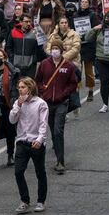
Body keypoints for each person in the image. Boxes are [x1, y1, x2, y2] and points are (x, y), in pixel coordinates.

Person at [35, 39, 78, 173]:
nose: (55, 50)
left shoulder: (68, 66)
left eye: (57, 48)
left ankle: (60, 161)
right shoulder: (44, 64)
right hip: (47, 103)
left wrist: (64, 94)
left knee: (58, 130)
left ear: (61, 50)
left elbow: (73, 83)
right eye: (53, 48)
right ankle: (56, 146)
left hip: (61, 103)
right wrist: (43, 91)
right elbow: (37, 80)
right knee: (53, 130)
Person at [9, 78, 49, 213]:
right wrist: (18, 106)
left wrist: (40, 139)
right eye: (19, 87)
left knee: (40, 172)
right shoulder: (17, 103)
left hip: (35, 142)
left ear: (30, 89)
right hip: (21, 141)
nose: (20, 90)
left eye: (23, 87)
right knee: (18, 172)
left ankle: (41, 201)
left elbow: (43, 124)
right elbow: (12, 120)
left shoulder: (40, 104)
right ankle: (25, 200)